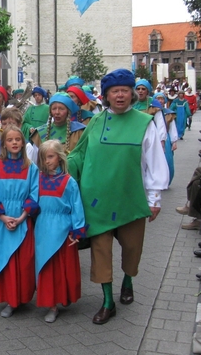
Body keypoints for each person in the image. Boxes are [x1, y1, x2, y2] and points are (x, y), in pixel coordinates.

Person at [68, 68, 169, 325]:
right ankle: (107, 301)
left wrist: (154, 198)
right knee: (101, 250)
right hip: (97, 199)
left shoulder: (144, 122)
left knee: (132, 248)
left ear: (132, 93)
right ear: (106, 95)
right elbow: (78, 154)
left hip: (130, 197)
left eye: (125, 90)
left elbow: (154, 162)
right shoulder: (96, 122)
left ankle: (128, 280)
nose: (120, 95)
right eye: (115, 91)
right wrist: (55, 167)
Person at [0, 125, 40, 318]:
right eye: (10, 140)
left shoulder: (31, 167)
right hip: (2, 221)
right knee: (5, 261)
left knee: (23, 261)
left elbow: (34, 193)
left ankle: (22, 296)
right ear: (4, 144)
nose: (14, 143)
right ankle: (10, 299)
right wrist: (3, 216)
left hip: (22, 220)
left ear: (23, 142)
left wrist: (23, 217)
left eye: (18, 139)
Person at [35, 140, 86, 323]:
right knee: (46, 265)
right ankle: (51, 303)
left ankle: (61, 297)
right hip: (42, 227)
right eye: (43, 157)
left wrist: (77, 229)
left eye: (50, 157)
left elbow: (76, 205)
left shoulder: (68, 181)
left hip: (63, 228)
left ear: (59, 157)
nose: (47, 161)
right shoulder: (37, 179)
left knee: (61, 266)